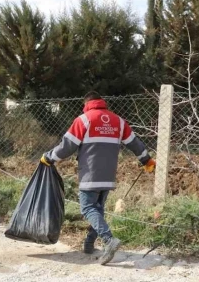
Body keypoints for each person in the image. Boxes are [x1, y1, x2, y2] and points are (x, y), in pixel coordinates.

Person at [41, 91, 156, 265]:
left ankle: (109, 240)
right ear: (102, 103)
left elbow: (67, 145)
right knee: (98, 208)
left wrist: (50, 158)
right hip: (108, 176)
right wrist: (146, 160)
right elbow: (134, 142)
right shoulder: (118, 121)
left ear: (86, 103)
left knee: (87, 208)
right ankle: (88, 244)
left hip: (90, 174)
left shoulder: (84, 119)